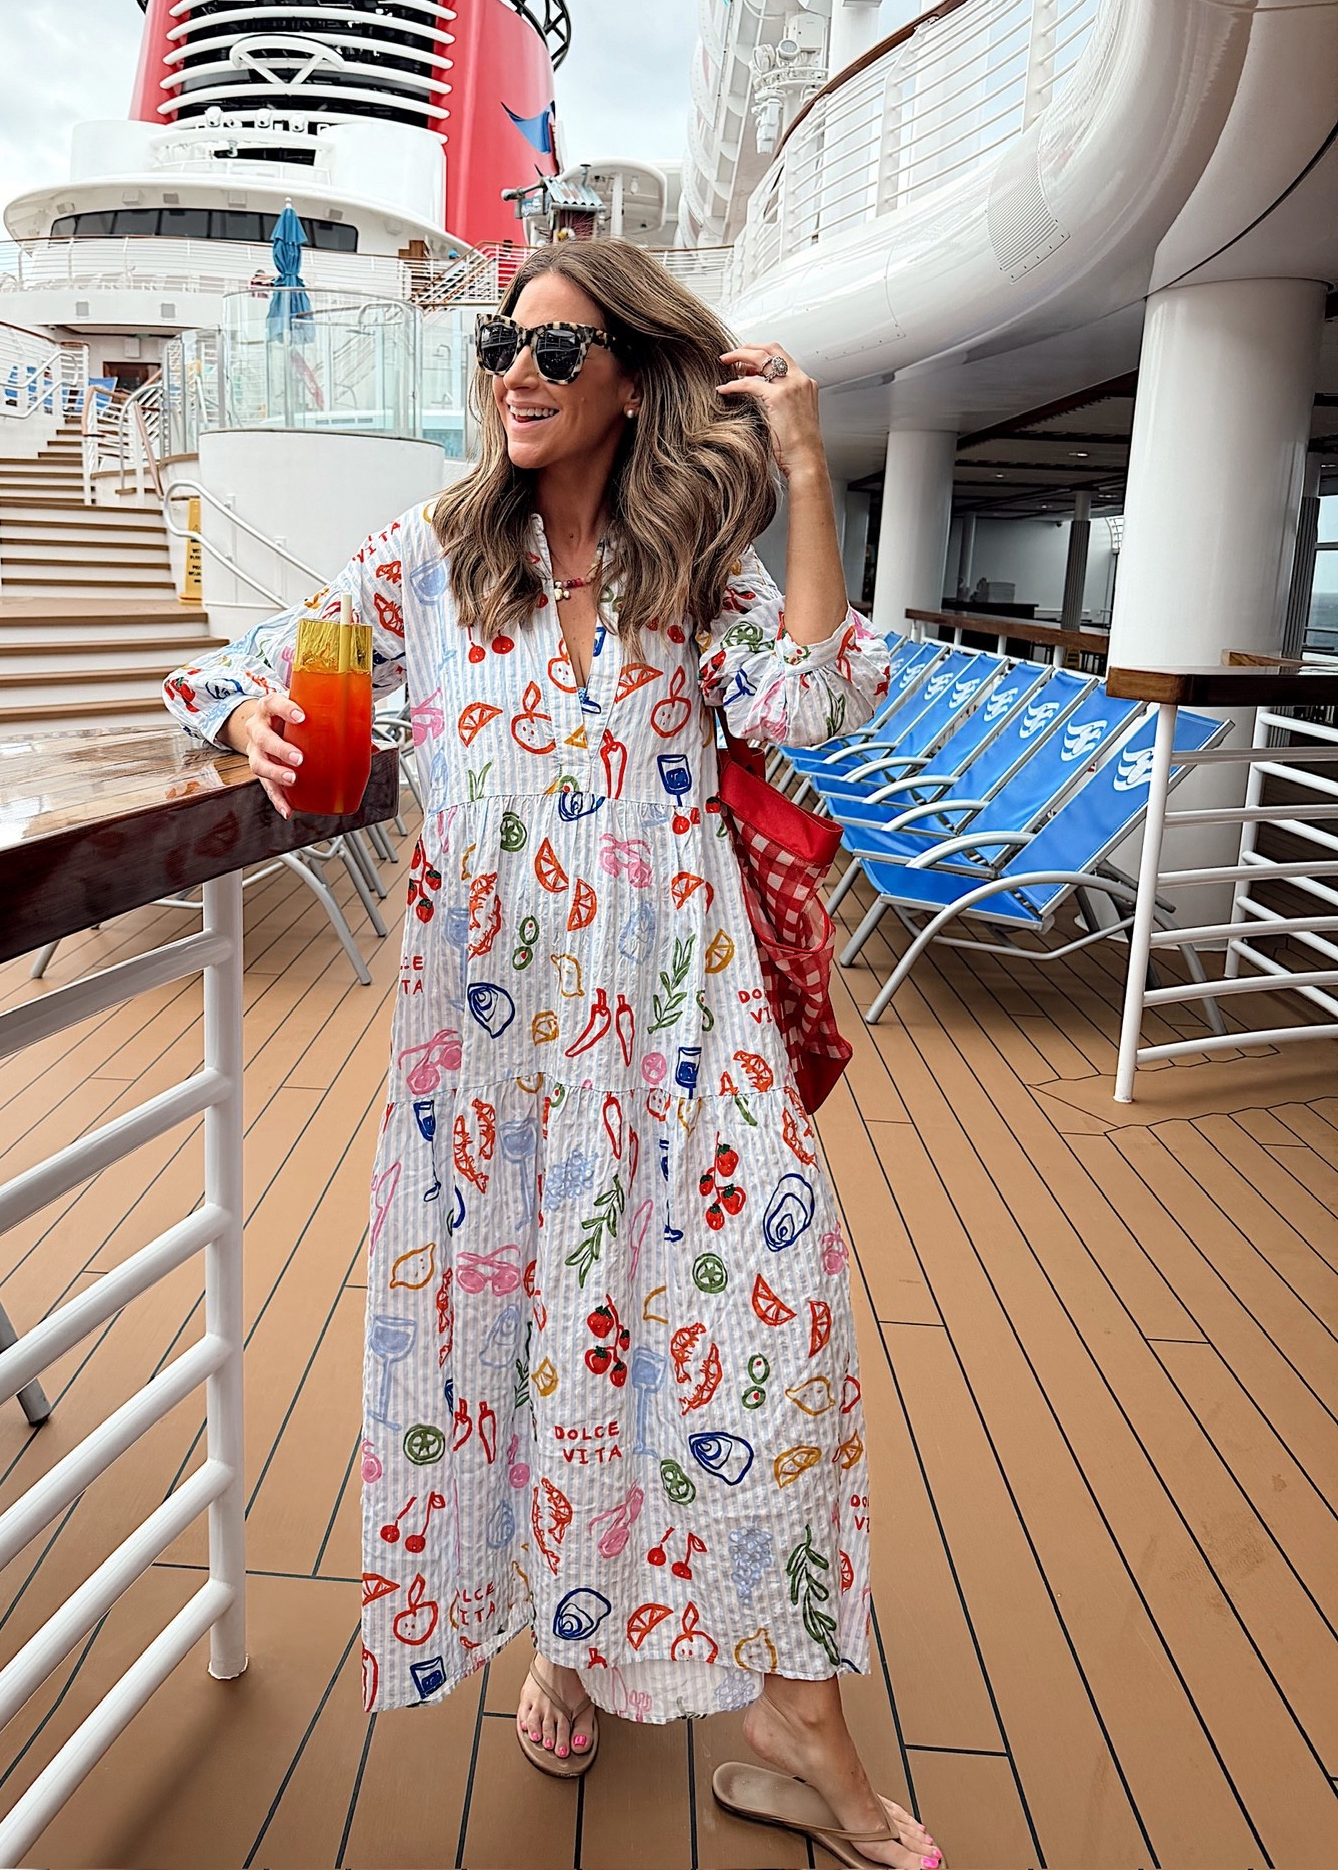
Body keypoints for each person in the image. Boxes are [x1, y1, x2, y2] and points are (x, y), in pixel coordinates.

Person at [162, 240, 943, 1870]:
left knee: (776, 1342)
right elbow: (254, 660)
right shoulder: (438, 559)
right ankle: (565, 1638)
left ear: (633, 382)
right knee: (531, 1340)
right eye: (500, 342)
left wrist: (804, 464)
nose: (518, 370)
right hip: (495, 1058)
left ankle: (802, 1727)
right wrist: (247, 722)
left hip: (687, 1039)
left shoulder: (689, 562)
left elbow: (817, 700)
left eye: (557, 350)